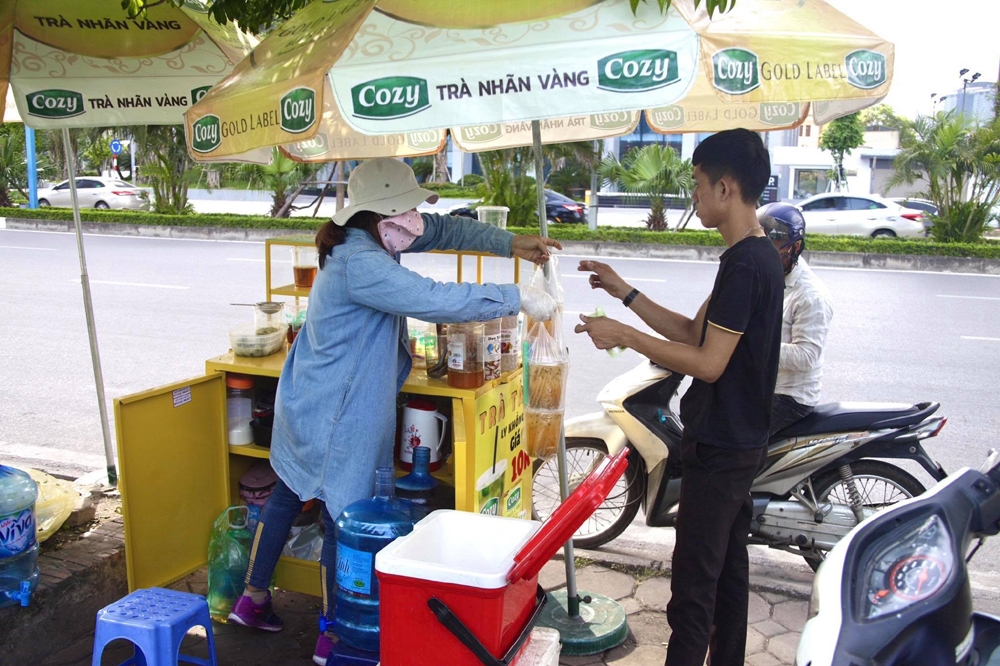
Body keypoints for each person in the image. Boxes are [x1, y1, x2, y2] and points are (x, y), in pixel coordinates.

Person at [227, 157, 560, 666]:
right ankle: (334, 633)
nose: (416, 217)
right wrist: (516, 296)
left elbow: (444, 228)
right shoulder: (362, 262)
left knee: (289, 492)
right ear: (381, 212)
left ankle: (252, 600)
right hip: (338, 412)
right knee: (347, 518)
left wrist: (508, 244)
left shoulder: (374, 235)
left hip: (312, 397)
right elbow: (432, 298)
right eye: (406, 207)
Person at [574, 129, 784, 666]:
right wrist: (625, 293)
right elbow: (693, 333)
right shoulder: (751, 255)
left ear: (725, 186)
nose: (693, 195)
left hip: (722, 448)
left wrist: (625, 335)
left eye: (696, 183)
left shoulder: (745, 264)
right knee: (728, 579)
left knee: (693, 591)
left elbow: (708, 364)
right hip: (737, 443)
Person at [758, 203, 834, 436]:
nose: (767, 251)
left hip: (789, 396)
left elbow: (806, 356)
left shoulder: (810, 295)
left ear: (795, 247)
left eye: (775, 242)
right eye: (762, 241)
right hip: (762, 384)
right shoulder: (768, 276)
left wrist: (754, 347)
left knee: (733, 445)